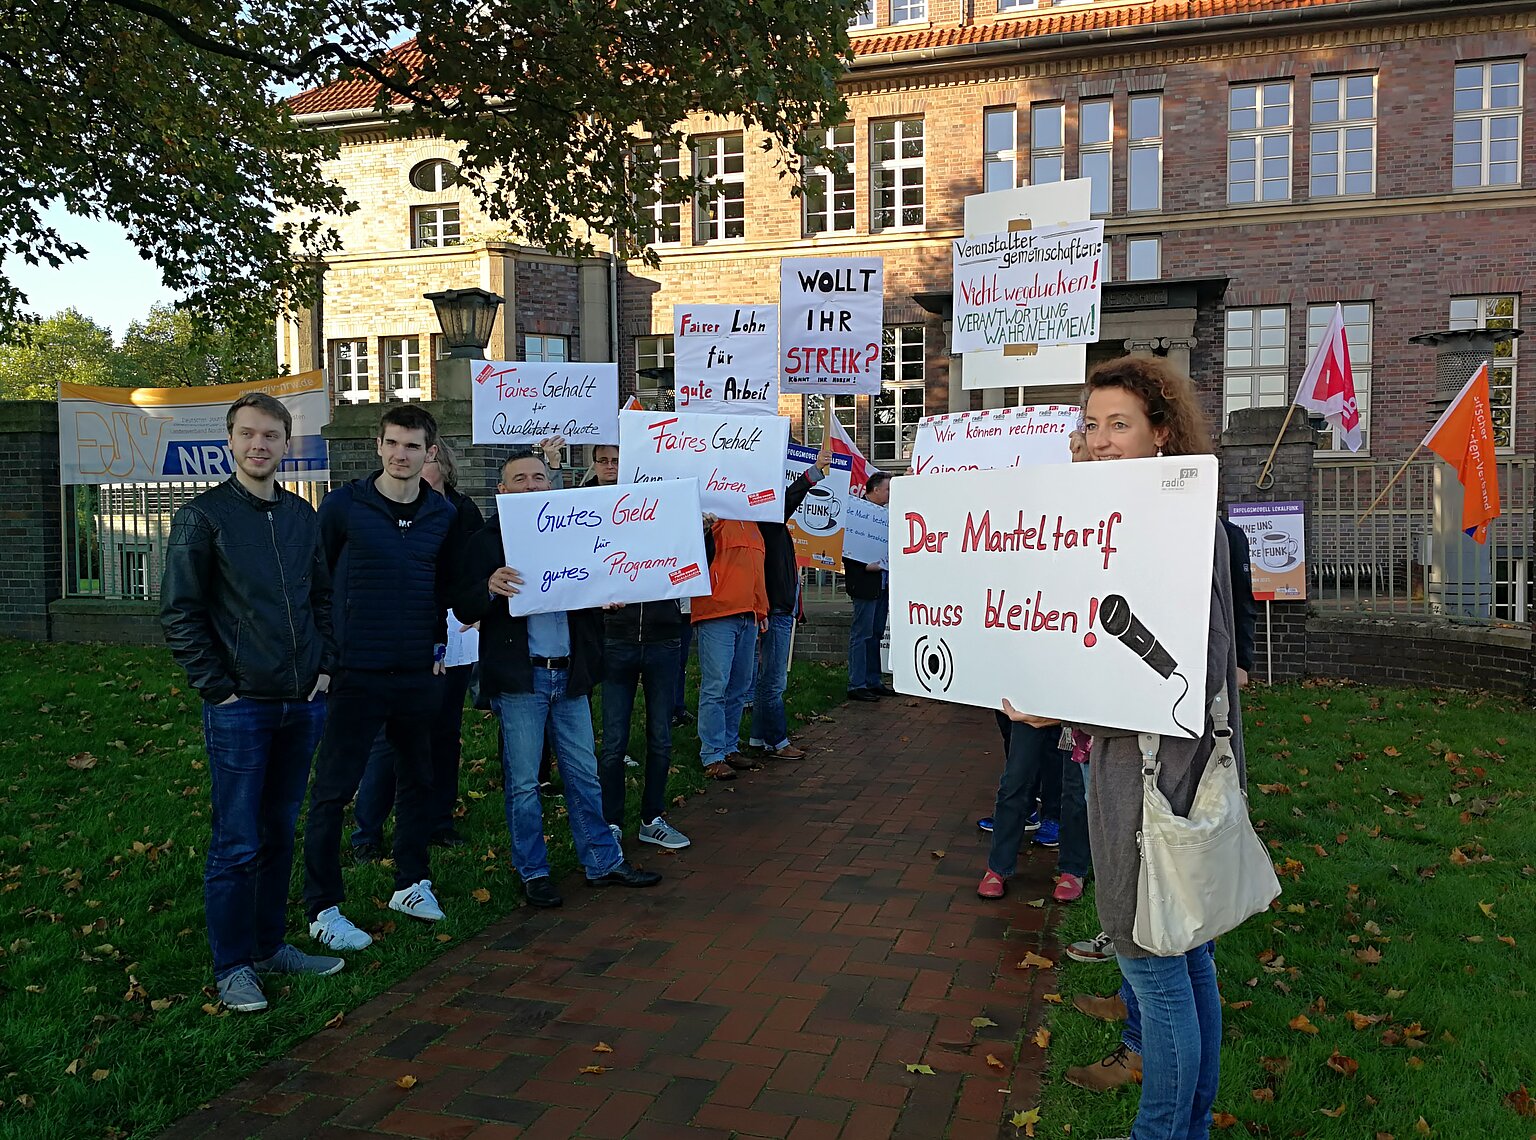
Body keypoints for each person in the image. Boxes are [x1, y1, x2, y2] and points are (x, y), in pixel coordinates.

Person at [1002, 355, 1247, 1139]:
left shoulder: (1181, 526)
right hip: (1136, 771)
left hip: (1153, 780)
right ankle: (1190, 1126)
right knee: (1185, 955)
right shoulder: (1119, 521)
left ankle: (1162, 1130)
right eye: (1090, 424)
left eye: (1120, 424)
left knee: (1153, 969)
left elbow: (1195, 668)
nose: (1100, 440)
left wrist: (1065, 710)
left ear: (1161, 434)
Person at [160, 392, 343, 1012]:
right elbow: (181, 613)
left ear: (286, 444)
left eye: (270, 435)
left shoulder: (299, 517)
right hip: (242, 706)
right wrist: (220, 688)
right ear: (230, 441)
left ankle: (269, 946)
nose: (259, 444)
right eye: (247, 434)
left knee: (277, 831)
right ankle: (233, 964)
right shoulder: (204, 518)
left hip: (303, 701)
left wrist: (323, 669)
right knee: (236, 840)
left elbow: (322, 597)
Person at [453, 447, 662, 907]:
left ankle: (602, 862)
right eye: (520, 479)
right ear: (502, 490)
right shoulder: (484, 542)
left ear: (551, 484)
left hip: (569, 675)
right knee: (525, 782)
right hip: (520, 678)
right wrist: (488, 589)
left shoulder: (574, 529)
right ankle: (534, 871)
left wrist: (606, 596)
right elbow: (463, 605)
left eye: (538, 478)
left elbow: (593, 579)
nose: (531, 485)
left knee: (585, 775)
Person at [302, 405, 461, 951]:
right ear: (378, 446)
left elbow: (444, 588)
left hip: (417, 672)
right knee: (333, 791)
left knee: (419, 781)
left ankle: (411, 884)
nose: (401, 454)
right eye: (393, 443)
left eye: (413, 446)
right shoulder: (344, 506)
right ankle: (322, 906)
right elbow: (314, 585)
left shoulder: (441, 515)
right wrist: (324, 659)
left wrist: (438, 648)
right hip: (355, 672)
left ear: (429, 453)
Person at [351, 439, 485, 860]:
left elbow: (474, 569)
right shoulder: (385, 510)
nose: (411, 467)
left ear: (442, 466)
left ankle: (438, 821)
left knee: (445, 736)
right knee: (389, 740)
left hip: (456, 637)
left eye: (424, 459)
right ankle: (367, 833)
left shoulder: (462, 512)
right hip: (403, 640)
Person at [586, 443, 691, 850]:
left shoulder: (669, 510)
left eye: (619, 459)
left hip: (664, 638)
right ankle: (611, 820)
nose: (612, 467)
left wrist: (703, 533)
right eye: (604, 460)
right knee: (613, 741)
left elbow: (697, 566)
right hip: (617, 639)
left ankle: (652, 817)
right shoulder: (591, 506)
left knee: (661, 737)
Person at [749, 436, 831, 759]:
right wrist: (814, 471)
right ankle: (778, 741)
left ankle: (758, 738)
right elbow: (791, 498)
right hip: (777, 608)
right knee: (774, 681)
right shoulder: (769, 520)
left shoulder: (771, 525)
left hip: (781, 607)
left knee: (767, 678)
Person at [693, 510, 769, 780]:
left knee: (739, 685)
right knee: (717, 684)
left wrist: (761, 610)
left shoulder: (752, 523)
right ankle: (712, 752)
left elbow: (756, 572)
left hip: (747, 614)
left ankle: (728, 746)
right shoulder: (714, 518)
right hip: (716, 613)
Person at [843, 470, 892, 702]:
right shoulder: (857, 513)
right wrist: (864, 566)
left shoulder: (886, 513)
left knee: (875, 633)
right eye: (887, 489)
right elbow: (849, 548)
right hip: (865, 582)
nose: (890, 493)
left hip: (882, 582)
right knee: (862, 634)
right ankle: (857, 683)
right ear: (875, 490)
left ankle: (873, 680)